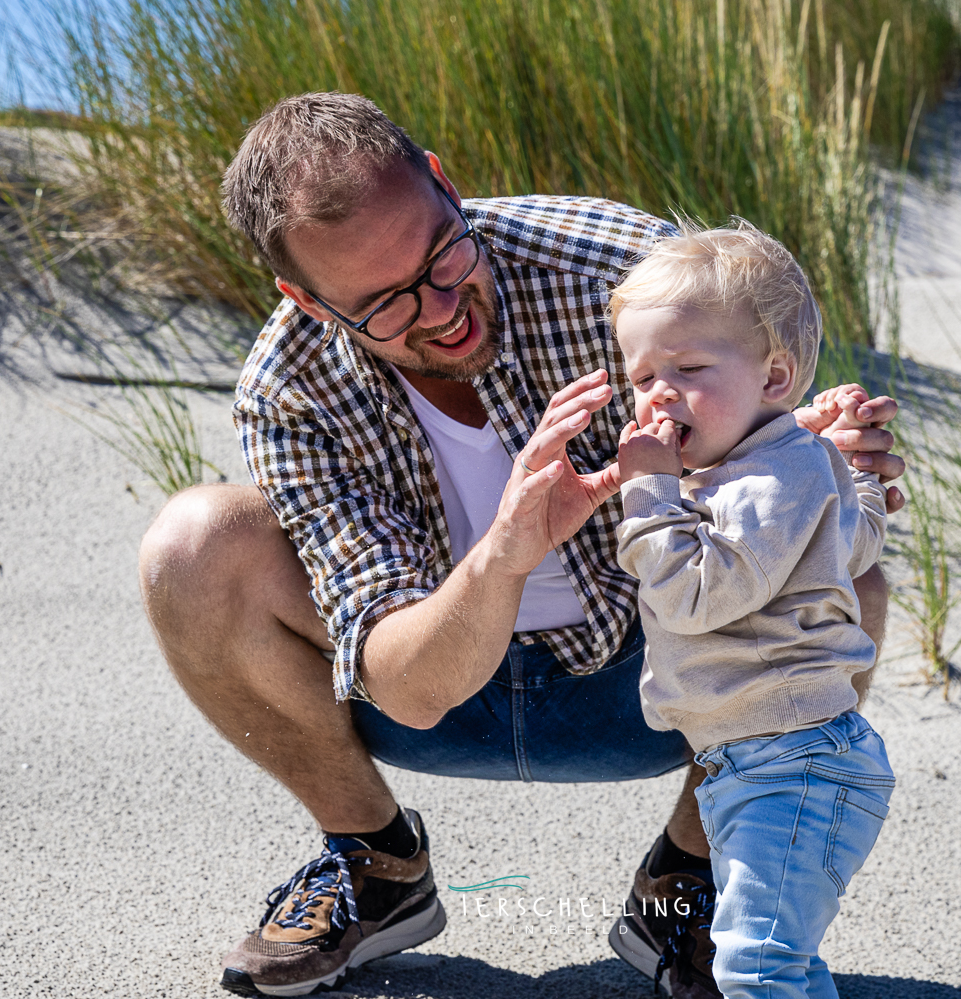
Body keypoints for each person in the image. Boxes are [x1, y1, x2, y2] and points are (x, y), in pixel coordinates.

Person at [136, 91, 905, 998]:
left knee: (852, 583)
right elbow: (411, 689)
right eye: (384, 304)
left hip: (653, 680)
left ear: (443, 182)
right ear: (307, 299)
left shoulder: (616, 268)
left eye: (441, 254)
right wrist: (507, 547)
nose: (442, 308)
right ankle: (374, 864)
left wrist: (816, 441)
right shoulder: (286, 387)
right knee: (191, 544)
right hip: (426, 687)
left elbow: (765, 415)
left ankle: (691, 881)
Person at [611, 222, 892, 999]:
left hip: (793, 765)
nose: (659, 392)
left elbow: (697, 594)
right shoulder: (778, 466)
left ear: (776, 377)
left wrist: (647, 493)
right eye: (642, 377)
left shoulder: (773, 476)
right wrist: (853, 468)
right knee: (780, 960)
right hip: (763, 763)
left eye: (689, 367)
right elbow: (857, 538)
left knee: (752, 964)